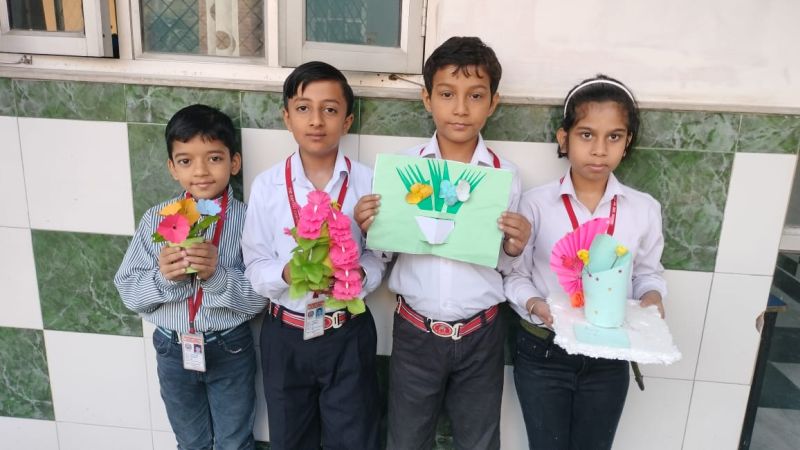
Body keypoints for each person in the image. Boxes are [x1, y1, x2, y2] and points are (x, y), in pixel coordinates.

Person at [355, 36, 531, 450]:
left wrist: (514, 247)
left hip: (482, 332)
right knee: (406, 439)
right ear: (427, 99)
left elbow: (506, 268)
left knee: (480, 440)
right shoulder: (404, 168)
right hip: (416, 332)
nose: (461, 108)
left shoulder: (505, 176)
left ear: (493, 103)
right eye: (447, 94)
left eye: (475, 96)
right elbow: (383, 252)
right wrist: (369, 227)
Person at [504, 74, 667, 449]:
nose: (599, 149)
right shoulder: (535, 204)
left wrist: (652, 297)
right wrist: (536, 304)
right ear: (564, 139)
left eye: (614, 136)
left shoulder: (643, 209)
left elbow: (647, 274)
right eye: (587, 134)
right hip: (544, 351)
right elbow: (513, 275)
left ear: (627, 142)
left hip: (609, 356)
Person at [241, 61, 386, 450]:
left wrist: (358, 274)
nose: (317, 120)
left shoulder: (369, 183)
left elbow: (380, 256)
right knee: (290, 440)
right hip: (285, 335)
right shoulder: (267, 185)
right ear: (287, 117)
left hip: (347, 332)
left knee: (356, 439)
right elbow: (254, 264)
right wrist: (287, 273)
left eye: (330, 109)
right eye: (304, 108)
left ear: (347, 121)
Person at [115, 104, 266, 450]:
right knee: (190, 443)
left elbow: (258, 300)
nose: (201, 171)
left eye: (214, 158)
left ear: (234, 162)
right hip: (172, 347)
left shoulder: (249, 221)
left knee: (235, 442)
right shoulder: (156, 219)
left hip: (230, 346)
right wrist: (164, 278)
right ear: (172, 168)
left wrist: (216, 276)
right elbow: (129, 292)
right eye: (186, 161)